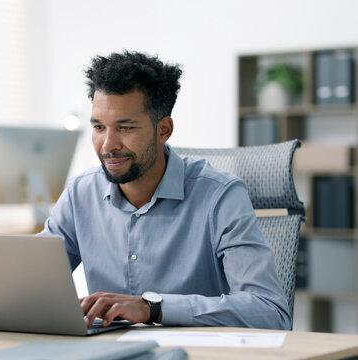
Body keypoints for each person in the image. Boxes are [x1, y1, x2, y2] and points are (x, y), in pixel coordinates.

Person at [40, 50, 291, 330]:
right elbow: (28, 284)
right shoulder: (80, 194)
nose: (108, 144)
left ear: (164, 129)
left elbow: (271, 313)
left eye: (125, 127)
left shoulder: (220, 196)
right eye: (99, 127)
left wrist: (153, 308)